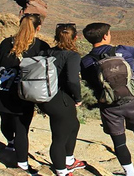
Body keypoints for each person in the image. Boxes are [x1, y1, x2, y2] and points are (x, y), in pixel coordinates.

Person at [80, 22, 134, 176]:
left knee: (119, 142)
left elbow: (89, 83)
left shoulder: (86, 61)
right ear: (105, 36)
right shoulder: (124, 50)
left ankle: (130, 173)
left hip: (109, 105)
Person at [0, 13, 50, 175]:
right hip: (24, 92)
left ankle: (10, 142)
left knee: (5, 118)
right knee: (22, 129)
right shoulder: (41, 46)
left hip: (2, 89)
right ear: (38, 28)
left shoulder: (5, 43)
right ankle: (22, 164)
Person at [36, 23, 85, 176]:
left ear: (56, 37)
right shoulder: (72, 55)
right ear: (76, 37)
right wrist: (78, 97)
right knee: (59, 136)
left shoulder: (46, 52)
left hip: (44, 97)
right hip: (60, 99)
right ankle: (61, 171)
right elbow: (72, 80)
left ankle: (69, 160)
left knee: (73, 125)